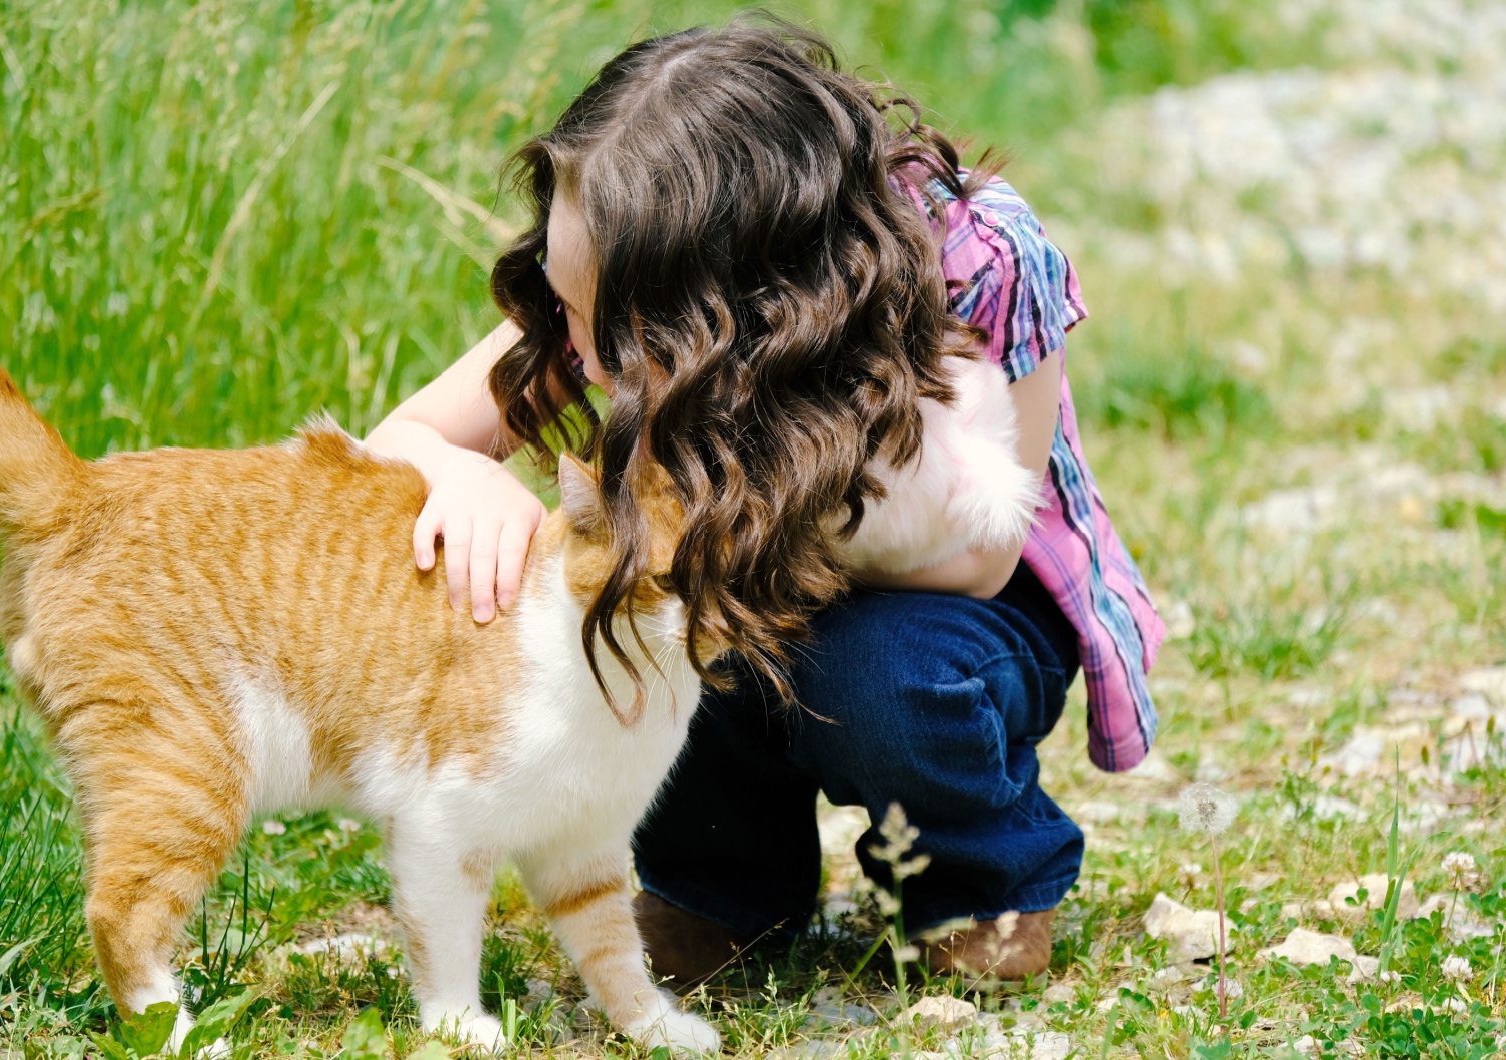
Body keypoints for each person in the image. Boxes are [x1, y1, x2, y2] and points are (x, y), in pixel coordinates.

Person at [365, 18, 1163, 986]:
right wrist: (462, 473)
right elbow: (401, 439)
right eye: (558, 293)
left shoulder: (978, 258)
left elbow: (980, 555)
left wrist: (742, 538)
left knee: (876, 673)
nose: (568, 347)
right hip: (747, 558)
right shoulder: (607, 293)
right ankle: (720, 884)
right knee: (642, 612)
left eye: (589, 318)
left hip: (958, 609)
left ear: (715, 313)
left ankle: (971, 878)